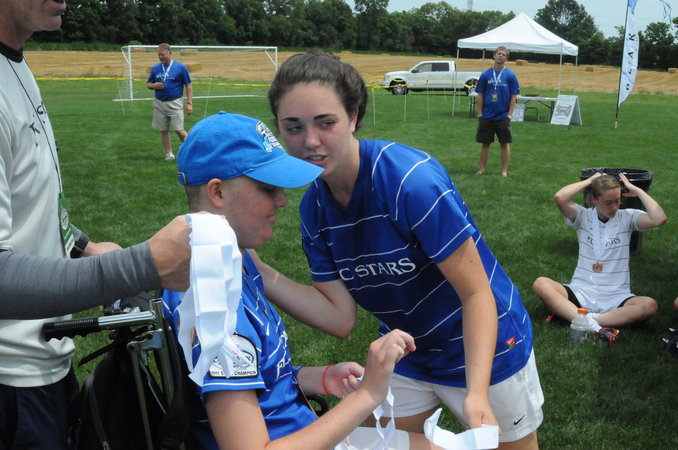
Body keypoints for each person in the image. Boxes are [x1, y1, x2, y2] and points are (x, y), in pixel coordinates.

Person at [255, 49, 543, 449]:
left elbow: (477, 293)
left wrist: (476, 392)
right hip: (410, 350)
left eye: (326, 122)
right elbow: (339, 318)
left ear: (353, 116)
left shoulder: (409, 182)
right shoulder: (314, 208)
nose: (310, 141)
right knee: (382, 444)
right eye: (293, 127)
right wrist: (257, 270)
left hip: (485, 348)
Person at [163, 111, 439, 449]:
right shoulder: (213, 302)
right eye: (268, 188)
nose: (282, 200)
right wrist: (367, 395)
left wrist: (319, 377)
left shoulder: (233, 263)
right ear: (218, 192)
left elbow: (259, 379)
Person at [0, 2, 192, 448]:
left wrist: (81, 245)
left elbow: (29, 199)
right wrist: (141, 266)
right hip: (11, 379)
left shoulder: (15, 64)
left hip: (42, 362)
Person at [533, 172, 667, 344]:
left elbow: (659, 219)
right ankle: (595, 323)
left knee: (649, 306)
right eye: (608, 202)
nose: (614, 207)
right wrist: (590, 181)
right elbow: (560, 197)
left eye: (617, 201)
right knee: (541, 284)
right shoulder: (582, 216)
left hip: (616, 295)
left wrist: (638, 191)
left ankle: (583, 319)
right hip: (582, 290)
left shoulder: (628, 217)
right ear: (594, 199)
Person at [474, 46, 519, 177]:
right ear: (494, 55)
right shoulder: (485, 75)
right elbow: (480, 94)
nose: (501, 56)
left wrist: (510, 115)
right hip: (487, 115)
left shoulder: (510, 75)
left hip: (503, 116)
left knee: (504, 144)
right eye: (499, 53)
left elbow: (513, 96)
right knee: (485, 144)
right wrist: (480, 113)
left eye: (503, 54)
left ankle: (504, 171)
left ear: (506, 58)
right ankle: (482, 169)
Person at [146, 42, 193, 161]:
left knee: (179, 130)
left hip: (175, 102)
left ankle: (193, 150)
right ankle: (169, 154)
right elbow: (148, 84)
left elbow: (188, 85)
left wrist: (189, 103)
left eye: (163, 55)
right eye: (159, 55)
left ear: (170, 53)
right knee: (163, 130)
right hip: (159, 103)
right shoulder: (156, 68)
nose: (160, 57)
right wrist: (154, 86)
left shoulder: (180, 67)